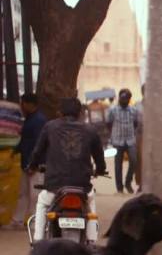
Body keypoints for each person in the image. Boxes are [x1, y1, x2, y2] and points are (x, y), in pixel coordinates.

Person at [28, 98, 106, 243]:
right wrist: (100, 170)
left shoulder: (50, 127)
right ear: (80, 112)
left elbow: (37, 152)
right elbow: (99, 158)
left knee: (42, 202)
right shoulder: (90, 130)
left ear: (60, 112)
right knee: (90, 205)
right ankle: (92, 242)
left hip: (54, 186)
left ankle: (38, 242)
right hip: (82, 187)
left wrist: (32, 166)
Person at [10, 93, 47, 229]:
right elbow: (25, 140)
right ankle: (17, 220)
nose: (21, 106)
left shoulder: (39, 121)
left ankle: (35, 222)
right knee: (24, 194)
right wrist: (16, 151)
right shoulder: (30, 119)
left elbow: (39, 144)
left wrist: (34, 164)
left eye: (23, 103)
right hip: (26, 163)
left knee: (35, 195)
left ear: (29, 104)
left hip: (35, 165)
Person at [107, 88, 139, 194]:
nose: (124, 100)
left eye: (126, 98)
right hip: (117, 141)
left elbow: (135, 124)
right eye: (122, 98)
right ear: (119, 98)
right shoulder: (113, 110)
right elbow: (108, 123)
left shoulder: (133, 110)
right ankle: (119, 188)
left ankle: (128, 182)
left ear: (129, 99)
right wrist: (114, 134)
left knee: (134, 161)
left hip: (130, 140)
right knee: (118, 165)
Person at [134, 84, 145, 192]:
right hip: (140, 136)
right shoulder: (137, 105)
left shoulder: (154, 105)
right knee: (140, 160)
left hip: (153, 135)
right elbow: (133, 121)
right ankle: (141, 184)